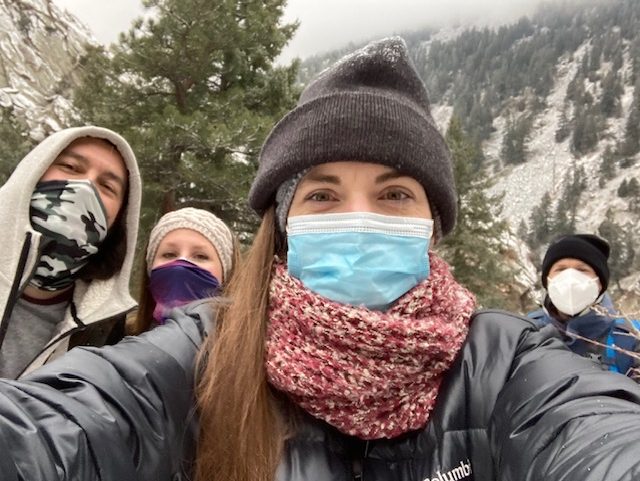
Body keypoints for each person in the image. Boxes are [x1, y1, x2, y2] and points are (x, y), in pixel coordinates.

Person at [2, 37, 640, 481]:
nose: (358, 217)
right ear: (284, 226)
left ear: (432, 225)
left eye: (394, 194)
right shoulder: (208, 350)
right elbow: (67, 425)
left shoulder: (502, 361)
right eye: (323, 195)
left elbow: (595, 434)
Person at [0, 126, 141, 378]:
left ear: (119, 220)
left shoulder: (106, 333)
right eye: (71, 167)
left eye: (107, 186)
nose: (86, 187)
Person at [529, 233, 640, 378]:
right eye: (560, 269)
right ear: (547, 280)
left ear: (600, 283)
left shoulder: (630, 336)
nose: (570, 279)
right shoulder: (528, 331)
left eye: (582, 270)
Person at [128, 207, 237, 334]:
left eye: (200, 256)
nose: (181, 265)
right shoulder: (121, 335)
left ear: (226, 274)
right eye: (169, 254)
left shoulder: (248, 343)